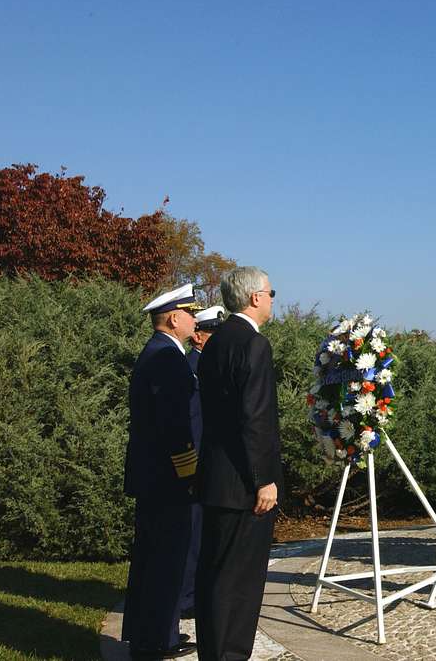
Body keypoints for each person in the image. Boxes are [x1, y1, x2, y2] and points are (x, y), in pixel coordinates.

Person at [195, 267, 283, 658]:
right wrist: (264, 479)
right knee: (241, 582)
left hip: (216, 476)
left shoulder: (213, 343)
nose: (272, 299)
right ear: (254, 297)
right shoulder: (253, 344)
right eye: (271, 292)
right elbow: (255, 418)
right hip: (245, 484)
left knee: (215, 575)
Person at [122, 283, 201, 659]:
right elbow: (175, 425)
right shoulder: (168, 358)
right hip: (168, 477)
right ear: (173, 318)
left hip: (152, 475)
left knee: (152, 557)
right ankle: (159, 639)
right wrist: (190, 474)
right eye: (190, 312)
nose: (193, 319)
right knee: (167, 560)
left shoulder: (157, 353)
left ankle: (149, 634)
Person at [178, 304, 224, 620]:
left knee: (200, 533)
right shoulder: (191, 368)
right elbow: (190, 424)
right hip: (193, 463)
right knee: (191, 536)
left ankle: (193, 592)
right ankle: (185, 598)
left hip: (205, 462)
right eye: (212, 334)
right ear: (198, 336)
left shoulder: (205, 366)